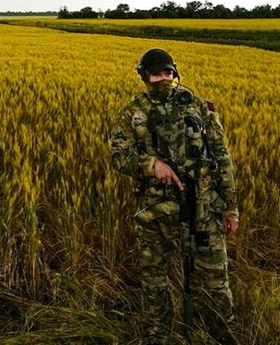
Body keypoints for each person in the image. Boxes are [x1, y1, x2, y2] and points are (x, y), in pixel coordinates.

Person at [109, 48, 239, 345]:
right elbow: (118, 156)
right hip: (156, 213)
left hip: (202, 208)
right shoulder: (132, 112)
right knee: (154, 281)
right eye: (156, 74)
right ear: (144, 76)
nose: (163, 79)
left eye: (168, 73)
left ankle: (223, 334)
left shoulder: (200, 106)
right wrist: (151, 165)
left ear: (175, 72)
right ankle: (158, 335)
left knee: (216, 281)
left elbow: (222, 157)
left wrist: (230, 208)